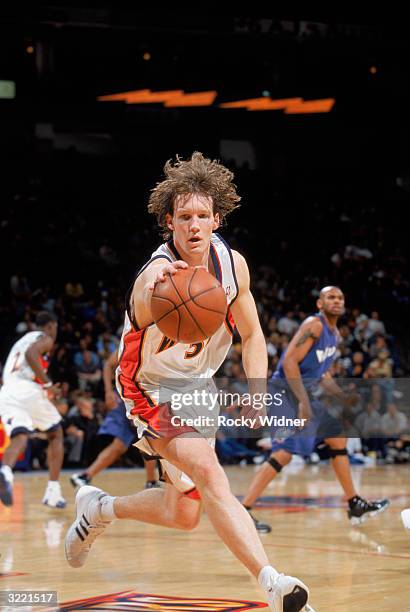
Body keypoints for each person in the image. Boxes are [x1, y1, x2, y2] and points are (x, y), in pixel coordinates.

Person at [65, 152, 314, 612]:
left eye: (203, 216)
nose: (194, 226)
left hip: (199, 387)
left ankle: (98, 508)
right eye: (184, 217)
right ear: (169, 223)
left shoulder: (231, 264)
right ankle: (273, 583)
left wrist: (258, 393)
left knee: (185, 512)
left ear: (217, 219)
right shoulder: (155, 279)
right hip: (149, 387)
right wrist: (159, 284)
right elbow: (144, 295)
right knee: (210, 472)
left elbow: (254, 333)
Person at [241, 287, 390, 532]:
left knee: (337, 438)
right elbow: (289, 362)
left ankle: (354, 503)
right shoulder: (314, 325)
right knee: (283, 454)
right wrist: (303, 401)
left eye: (340, 297)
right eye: (331, 297)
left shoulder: (335, 335)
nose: (336, 301)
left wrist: (343, 397)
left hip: (303, 394)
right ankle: (244, 510)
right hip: (284, 393)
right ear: (320, 303)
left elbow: (323, 375)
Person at [0, 311, 66, 508]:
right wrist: (47, 385)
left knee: (21, 437)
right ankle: (53, 492)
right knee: (56, 434)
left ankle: (5, 472)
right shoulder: (44, 338)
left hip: (7, 391)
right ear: (51, 325)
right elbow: (31, 355)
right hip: (26, 389)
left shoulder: (20, 341)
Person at [70, 350, 159, 489]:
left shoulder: (157, 344)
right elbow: (108, 365)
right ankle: (151, 482)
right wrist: (108, 391)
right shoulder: (131, 338)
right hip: (128, 398)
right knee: (141, 441)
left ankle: (85, 476)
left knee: (137, 442)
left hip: (145, 397)